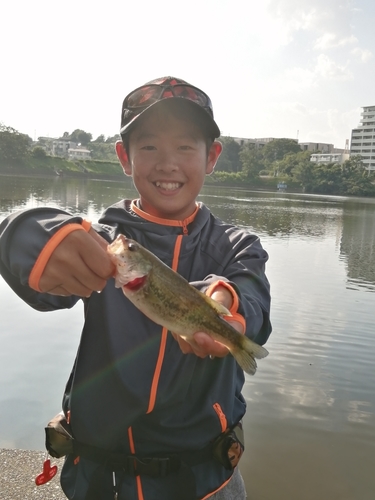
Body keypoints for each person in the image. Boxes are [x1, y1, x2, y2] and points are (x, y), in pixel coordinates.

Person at [0, 76, 272, 500]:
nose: (167, 163)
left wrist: (228, 307)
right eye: (149, 147)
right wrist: (33, 236)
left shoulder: (237, 245)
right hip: (101, 482)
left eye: (185, 146)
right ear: (124, 157)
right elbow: (39, 282)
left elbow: (252, 293)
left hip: (206, 481)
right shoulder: (105, 242)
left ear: (212, 156)